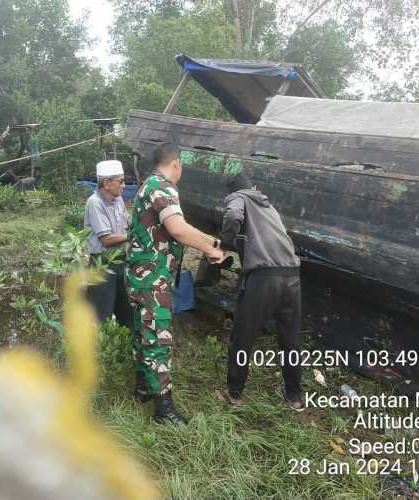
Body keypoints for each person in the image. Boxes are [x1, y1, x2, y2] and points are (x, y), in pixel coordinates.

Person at [126, 142, 225, 425]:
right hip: (152, 279)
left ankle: (144, 387)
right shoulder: (163, 186)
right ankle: (164, 409)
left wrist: (211, 240)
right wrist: (211, 251)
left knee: (142, 333)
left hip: (140, 276)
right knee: (158, 337)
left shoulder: (149, 185)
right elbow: (179, 230)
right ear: (177, 164)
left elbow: (179, 225)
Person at [218, 174, 304, 411]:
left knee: (242, 337)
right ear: (254, 187)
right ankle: (294, 398)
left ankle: (234, 394)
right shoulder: (268, 205)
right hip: (292, 277)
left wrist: (224, 243)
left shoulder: (238, 198)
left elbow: (233, 215)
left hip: (265, 278)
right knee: (290, 340)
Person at [84, 160, 133, 331]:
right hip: (102, 263)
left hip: (120, 260)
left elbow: (127, 224)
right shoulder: (95, 203)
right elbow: (106, 239)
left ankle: (124, 346)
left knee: (126, 308)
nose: (124, 185)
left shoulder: (118, 200)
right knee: (101, 312)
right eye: (120, 181)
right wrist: (133, 236)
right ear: (106, 183)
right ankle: (100, 352)